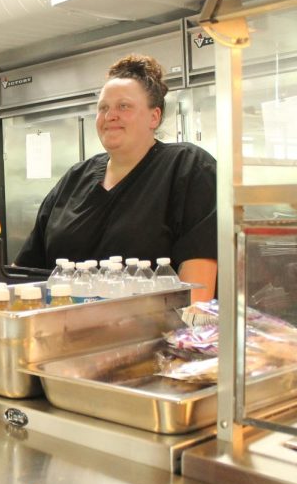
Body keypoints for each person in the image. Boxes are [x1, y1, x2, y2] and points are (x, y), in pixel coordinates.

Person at [14, 54, 217, 302]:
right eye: (103, 108)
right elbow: (25, 272)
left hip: (155, 334)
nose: (110, 116)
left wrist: (190, 332)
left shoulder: (187, 167)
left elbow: (199, 282)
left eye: (124, 106)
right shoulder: (75, 178)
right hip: (63, 331)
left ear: (154, 117)